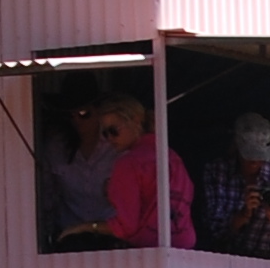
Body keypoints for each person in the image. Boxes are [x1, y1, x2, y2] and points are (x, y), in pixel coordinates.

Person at [54, 96, 194, 251]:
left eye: (113, 131)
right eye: (105, 133)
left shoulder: (128, 163)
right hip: (184, 247)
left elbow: (126, 227)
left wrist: (84, 228)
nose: (109, 139)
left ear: (135, 121)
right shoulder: (173, 158)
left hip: (146, 252)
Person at [198, 113, 270, 258]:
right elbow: (211, 231)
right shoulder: (217, 171)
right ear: (236, 146)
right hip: (222, 259)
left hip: (266, 262)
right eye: (249, 155)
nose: (254, 161)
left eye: (260, 157)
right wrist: (243, 215)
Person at [40, 90, 123, 251]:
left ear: (99, 112)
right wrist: (48, 238)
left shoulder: (116, 145)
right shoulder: (56, 147)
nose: (77, 120)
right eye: (70, 115)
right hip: (70, 238)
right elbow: (48, 194)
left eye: (84, 113)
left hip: (112, 236)